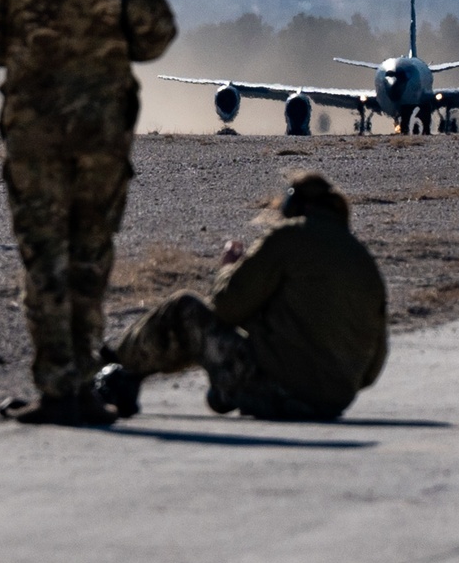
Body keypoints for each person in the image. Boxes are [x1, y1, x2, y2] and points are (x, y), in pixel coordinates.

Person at [0, 0, 177, 426]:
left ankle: (60, 390)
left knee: (46, 262)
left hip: (35, 136)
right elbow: (156, 37)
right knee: (90, 257)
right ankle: (84, 386)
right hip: (102, 134)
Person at [97, 173, 387, 422]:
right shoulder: (363, 260)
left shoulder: (289, 237)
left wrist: (228, 269)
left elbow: (225, 307)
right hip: (333, 403)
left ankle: (107, 367)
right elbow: (372, 369)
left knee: (184, 308)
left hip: (279, 391)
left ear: (294, 204)